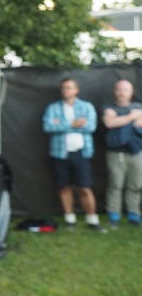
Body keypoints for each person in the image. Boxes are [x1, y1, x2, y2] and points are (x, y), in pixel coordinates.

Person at [42, 78, 100, 229]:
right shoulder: (53, 108)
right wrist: (72, 124)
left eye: (69, 88)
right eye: (64, 88)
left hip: (81, 153)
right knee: (64, 187)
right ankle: (70, 219)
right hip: (60, 153)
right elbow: (48, 127)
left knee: (84, 188)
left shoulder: (86, 107)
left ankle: (92, 220)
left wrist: (60, 125)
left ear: (76, 90)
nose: (66, 90)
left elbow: (90, 127)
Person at [100, 79, 142, 227]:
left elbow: (140, 124)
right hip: (115, 153)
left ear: (131, 92)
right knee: (115, 184)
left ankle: (134, 214)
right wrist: (132, 117)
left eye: (125, 90)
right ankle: (114, 215)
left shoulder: (139, 107)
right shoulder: (108, 107)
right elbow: (109, 123)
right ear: (114, 91)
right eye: (119, 89)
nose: (122, 93)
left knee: (136, 185)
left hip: (136, 153)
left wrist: (120, 120)